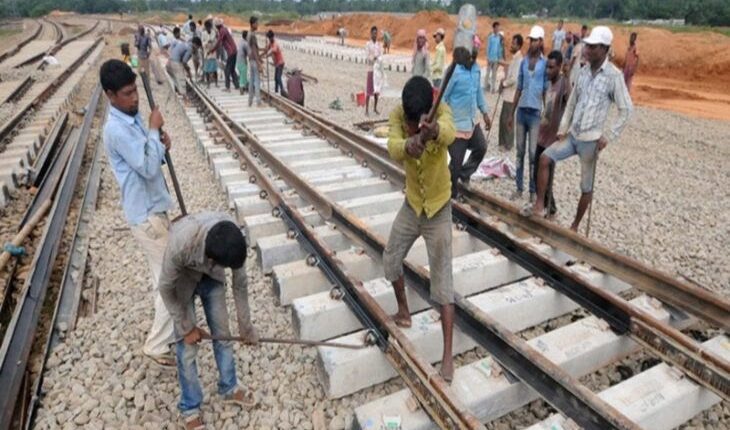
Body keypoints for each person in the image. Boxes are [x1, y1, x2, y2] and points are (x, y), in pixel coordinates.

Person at [99, 59, 175, 368]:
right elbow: (146, 167)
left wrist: (160, 144)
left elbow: (149, 156)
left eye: (135, 91)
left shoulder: (130, 119)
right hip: (146, 216)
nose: (135, 98)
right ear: (110, 95)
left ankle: (170, 332)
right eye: (128, 94)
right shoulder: (117, 129)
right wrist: (154, 131)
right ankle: (158, 343)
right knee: (172, 280)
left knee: (163, 277)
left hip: (152, 208)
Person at [384, 76, 456, 382]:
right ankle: (404, 312)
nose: (414, 129)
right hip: (413, 205)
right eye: (410, 125)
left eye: (418, 126)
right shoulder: (398, 114)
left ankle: (448, 355)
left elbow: (450, 132)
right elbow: (391, 145)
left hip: (438, 208)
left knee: (442, 283)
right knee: (390, 258)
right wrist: (407, 144)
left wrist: (434, 130)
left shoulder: (442, 112)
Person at [158, 213, 258, 430]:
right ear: (211, 260)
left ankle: (229, 387)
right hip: (183, 280)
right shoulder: (181, 244)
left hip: (212, 278)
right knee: (187, 349)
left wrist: (246, 327)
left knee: (223, 334)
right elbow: (165, 289)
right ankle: (190, 407)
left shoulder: (234, 239)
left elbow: (240, 285)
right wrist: (186, 328)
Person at [530, 26, 633, 231]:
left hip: (591, 139)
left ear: (605, 49)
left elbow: (626, 110)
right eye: (588, 46)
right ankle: (540, 205)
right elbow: (572, 102)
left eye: (593, 47)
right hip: (573, 134)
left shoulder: (613, 76)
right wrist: (563, 127)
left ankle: (575, 226)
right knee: (544, 158)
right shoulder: (584, 71)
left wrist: (608, 136)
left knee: (586, 186)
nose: (588, 50)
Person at [443, 47, 490, 197]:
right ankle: (450, 194)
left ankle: (464, 173)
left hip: (471, 122)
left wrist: (485, 112)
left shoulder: (476, 70)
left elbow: (478, 92)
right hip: (456, 125)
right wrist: (442, 120)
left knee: (481, 147)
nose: (472, 61)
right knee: (456, 162)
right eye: (470, 58)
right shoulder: (454, 72)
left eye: (474, 59)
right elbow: (443, 97)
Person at [509, 26, 548, 202]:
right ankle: (519, 187)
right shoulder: (524, 62)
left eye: (535, 40)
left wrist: (546, 114)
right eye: (530, 40)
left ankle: (533, 190)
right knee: (520, 152)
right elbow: (519, 87)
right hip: (521, 112)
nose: (532, 43)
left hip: (535, 114)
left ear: (541, 42)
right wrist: (511, 113)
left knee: (533, 154)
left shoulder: (544, 63)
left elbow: (546, 90)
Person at [533, 50, 570, 219]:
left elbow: (570, 100)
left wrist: (567, 77)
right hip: (542, 136)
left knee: (546, 176)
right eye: (547, 67)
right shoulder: (549, 84)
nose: (548, 71)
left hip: (552, 140)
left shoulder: (563, 84)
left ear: (559, 67)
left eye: (552, 67)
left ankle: (550, 208)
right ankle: (547, 206)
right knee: (537, 174)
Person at [498, 34, 523, 152]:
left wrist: (504, 84)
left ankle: (507, 144)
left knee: (507, 119)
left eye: (514, 43)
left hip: (511, 95)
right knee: (504, 118)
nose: (511, 45)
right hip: (508, 94)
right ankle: (504, 143)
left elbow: (514, 79)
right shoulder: (515, 58)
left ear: (519, 46)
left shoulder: (519, 60)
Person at [209, 18, 238, 92]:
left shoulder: (222, 31)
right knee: (232, 69)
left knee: (227, 70)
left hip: (231, 52)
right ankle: (237, 85)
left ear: (217, 26)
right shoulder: (224, 29)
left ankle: (227, 87)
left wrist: (212, 50)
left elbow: (219, 42)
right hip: (234, 51)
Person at [170, 36, 202, 101]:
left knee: (177, 78)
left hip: (171, 61)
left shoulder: (186, 43)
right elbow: (184, 62)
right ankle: (184, 99)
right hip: (175, 63)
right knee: (181, 80)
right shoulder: (190, 49)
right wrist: (188, 70)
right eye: (198, 47)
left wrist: (187, 70)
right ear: (195, 44)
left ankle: (178, 92)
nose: (197, 49)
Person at [365, 26, 383, 116]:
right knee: (369, 90)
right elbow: (367, 56)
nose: (375, 35)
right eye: (373, 33)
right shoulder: (368, 44)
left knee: (376, 90)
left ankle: (375, 108)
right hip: (371, 69)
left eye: (376, 33)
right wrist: (374, 58)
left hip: (377, 70)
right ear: (371, 34)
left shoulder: (379, 45)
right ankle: (366, 110)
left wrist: (378, 59)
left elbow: (381, 55)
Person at [248, 16, 263, 107]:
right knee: (257, 81)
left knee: (251, 81)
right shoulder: (253, 35)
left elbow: (254, 49)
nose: (258, 25)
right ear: (253, 24)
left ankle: (250, 101)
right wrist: (259, 63)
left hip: (251, 60)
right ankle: (258, 102)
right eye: (257, 23)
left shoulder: (249, 34)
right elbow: (254, 50)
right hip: (254, 60)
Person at [486, 21, 505, 93]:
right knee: (488, 73)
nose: (498, 29)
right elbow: (488, 47)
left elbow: (499, 48)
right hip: (490, 58)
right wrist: (487, 57)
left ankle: (493, 88)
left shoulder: (498, 38)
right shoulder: (490, 37)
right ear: (493, 28)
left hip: (496, 59)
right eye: (496, 27)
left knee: (494, 74)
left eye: (498, 28)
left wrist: (500, 57)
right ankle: (486, 86)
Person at [265, 30, 286, 95]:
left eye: (270, 38)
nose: (269, 39)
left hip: (280, 63)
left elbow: (272, 51)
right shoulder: (270, 43)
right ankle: (276, 91)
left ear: (272, 37)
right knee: (275, 78)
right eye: (268, 38)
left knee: (278, 77)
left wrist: (266, 56)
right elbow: (266, 49)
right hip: (277, 63)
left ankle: (282, 90)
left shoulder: (275, 44)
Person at [201, 18, 218, 88]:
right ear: (205, 27)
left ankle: (216, 83)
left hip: (213, 54)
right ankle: (208, 84)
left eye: (209, 27)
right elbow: (202, 43)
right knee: (207, 70)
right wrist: (207, 42)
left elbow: (215, 42)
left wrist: (212, 42)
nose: (208, 28)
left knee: (214, 69)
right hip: (206, 53)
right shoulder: (203, 34)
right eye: (207, 27)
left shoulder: (213, 32)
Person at [237, 31, 250, 95]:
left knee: (242, 76)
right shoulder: (245, 43)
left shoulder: (240, 42)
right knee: (243, 76)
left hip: (238, 62)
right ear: (246, 36)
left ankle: (245, 87)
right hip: (243, 62)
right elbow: (249, 53)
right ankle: (241, 90)